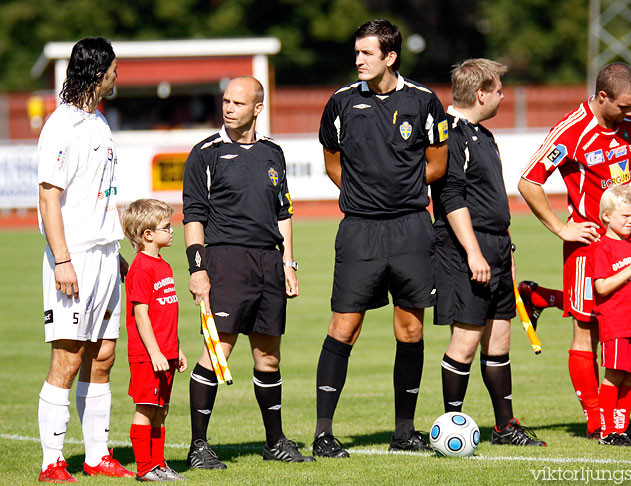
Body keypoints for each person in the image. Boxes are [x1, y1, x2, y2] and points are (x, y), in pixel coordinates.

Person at [314, 18, 448, 457]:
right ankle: (323, 433)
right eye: (356, 53)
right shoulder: (340, 103)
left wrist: (401, 193)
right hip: (359, 231)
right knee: (344, 328)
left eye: (367, 53)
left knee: (410, 330)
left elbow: (438, 164)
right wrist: (361, 196)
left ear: (390, 57)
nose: (358, 60)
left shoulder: (425, 102)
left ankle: (403, 432)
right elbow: (333, 162)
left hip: (411, 228)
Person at [183, 76, 313, 467]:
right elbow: (193, 216)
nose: (228, 108)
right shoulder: (205, 153)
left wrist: (288, 262)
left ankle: (274, 443)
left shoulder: (273, 152)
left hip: (269, 264)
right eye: (225, 101)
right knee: (217, 352)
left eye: (238, 103)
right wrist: (197, 269)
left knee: (268, 358)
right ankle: (198, 446)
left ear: (258, 108)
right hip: (227, 262)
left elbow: (283, 212)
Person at [518, 62, 631, 439]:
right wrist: (562, 227)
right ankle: (595, 421)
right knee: (586, 329)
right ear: (602, 97)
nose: (630, 114)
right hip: (587, 243)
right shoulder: (573, 131)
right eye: (623, 107)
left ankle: (539, 296)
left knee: (622, 320)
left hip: (624, 242)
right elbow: (529, 181)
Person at [431, 59, 545, 447]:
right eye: (498, 89)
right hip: (467, 249)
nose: (502, 95)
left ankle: (504, 427)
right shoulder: (452, 134)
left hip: (495, 246)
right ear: (480, 94)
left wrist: (503, 248)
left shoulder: (483, 135)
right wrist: (474, 253)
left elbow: (491, 200)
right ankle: (451, 426)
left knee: (498, 342)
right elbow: (451, 197)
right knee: (464, 340)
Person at [36, 37, 134, 482]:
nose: (117, 75)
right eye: (113, 68)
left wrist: (116, 252)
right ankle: (51, 462)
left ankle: (96, 456)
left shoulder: (98, 121)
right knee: (68, 359)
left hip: (104, 255)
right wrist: (61, 260)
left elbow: (103, 196)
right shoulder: (61, 126)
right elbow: (48, 197)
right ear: (99, 72)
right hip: (72, 257)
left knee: (104, 357)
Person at [122, 199, 188, 480]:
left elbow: (166, 317)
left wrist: (177, 348)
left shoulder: (164, 266)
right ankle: (144, 468)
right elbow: (141, 315)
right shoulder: (141, 268)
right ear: (148, 234)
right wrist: (155, 353)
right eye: (166, 227)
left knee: (161, 409)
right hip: (149, 355)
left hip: (166, 351)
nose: (172, 231)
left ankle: (159, 464)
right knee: (146, 409)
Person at [592, 184, 631, 446]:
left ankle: (622, 427)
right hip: (617, 323)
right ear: (607, 216)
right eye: (625, 216)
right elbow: (601, 286)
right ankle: (607, 432)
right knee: (615, 374)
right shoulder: (602, 247)